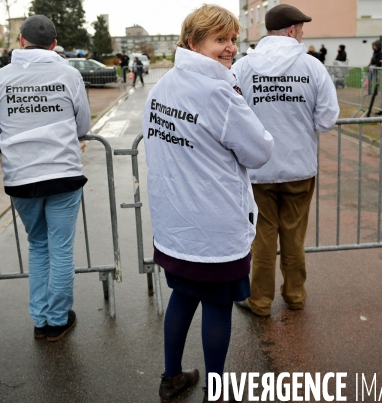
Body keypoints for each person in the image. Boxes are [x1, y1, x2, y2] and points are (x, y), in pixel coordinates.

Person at [142, 5, 274, 402]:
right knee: (218, 304)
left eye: (233, 39)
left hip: (175, 226)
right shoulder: (218, 92)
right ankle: (216, 392)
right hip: (214, 227)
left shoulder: (163, 86)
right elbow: (259, 150)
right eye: (220, 39)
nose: (231, 48)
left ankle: (171, 377)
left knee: (182, 295)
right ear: (192, 42)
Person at [231, 4, 339, 317]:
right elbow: (327, 118)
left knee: (262, 238)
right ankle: (294, 295)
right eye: (301, 28)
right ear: (292, 30)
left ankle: (260, 301)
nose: (303, 33)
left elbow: (231, 114)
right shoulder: (312, 67)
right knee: (294, 235)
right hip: (299, 167)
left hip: (257, 169)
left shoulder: (243, 67)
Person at [0, 15, 90, 343]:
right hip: (61, 172)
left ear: (21, 41)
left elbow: (1, 125)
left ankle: (41, 318)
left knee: (38, 245)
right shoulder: (69, 73)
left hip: (21, 175)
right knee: (60, 248)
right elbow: (83, 125)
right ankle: (57, 320)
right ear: (53, 44)